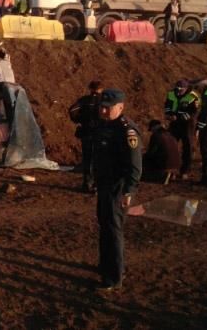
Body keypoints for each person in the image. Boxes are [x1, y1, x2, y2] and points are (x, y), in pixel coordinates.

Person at [91, 88, 142, 292]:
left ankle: (113, 278)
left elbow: (135, 165)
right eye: (102, 107)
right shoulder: (104, 126)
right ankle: (107, 267)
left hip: (117, 188)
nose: (103, 111)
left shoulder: (126, 130)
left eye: (108, 108)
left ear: (120, 107)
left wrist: (129, 191)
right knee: (105, 227)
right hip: (104, 185)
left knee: (113, 230)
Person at [69, 80, 104, 192]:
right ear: (101, 89)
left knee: (87, 159)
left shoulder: (84, 100)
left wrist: (80, 120)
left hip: (86, 132)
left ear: (90, 88)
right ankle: (97, 185)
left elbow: (72, 110)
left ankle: (87, 184)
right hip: (100, 133)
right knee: (99, 159)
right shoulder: (104, 101)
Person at [163, 79, 199, 180]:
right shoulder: (171, 94)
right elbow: (167, 106)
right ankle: (171, 170)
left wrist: (178, 117)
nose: (178, 91)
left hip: (187, 125)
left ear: (186, 89)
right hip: (174, 124)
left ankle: (185, 171)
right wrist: (169, 114)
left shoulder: (193, 97)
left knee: (187, 147)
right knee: (171, 145)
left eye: (181, 90)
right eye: (177, 89)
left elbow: (193, 113)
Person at [143, 120, 180, 184]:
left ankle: (161, 174)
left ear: (154, 127)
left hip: (164, 166)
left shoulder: (156, 136)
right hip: (176, 165)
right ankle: (171, 174)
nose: (151, 131)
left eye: (151, 129)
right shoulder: (170, 135)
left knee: (145, 158)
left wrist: (144, 156)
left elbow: (151, 153)